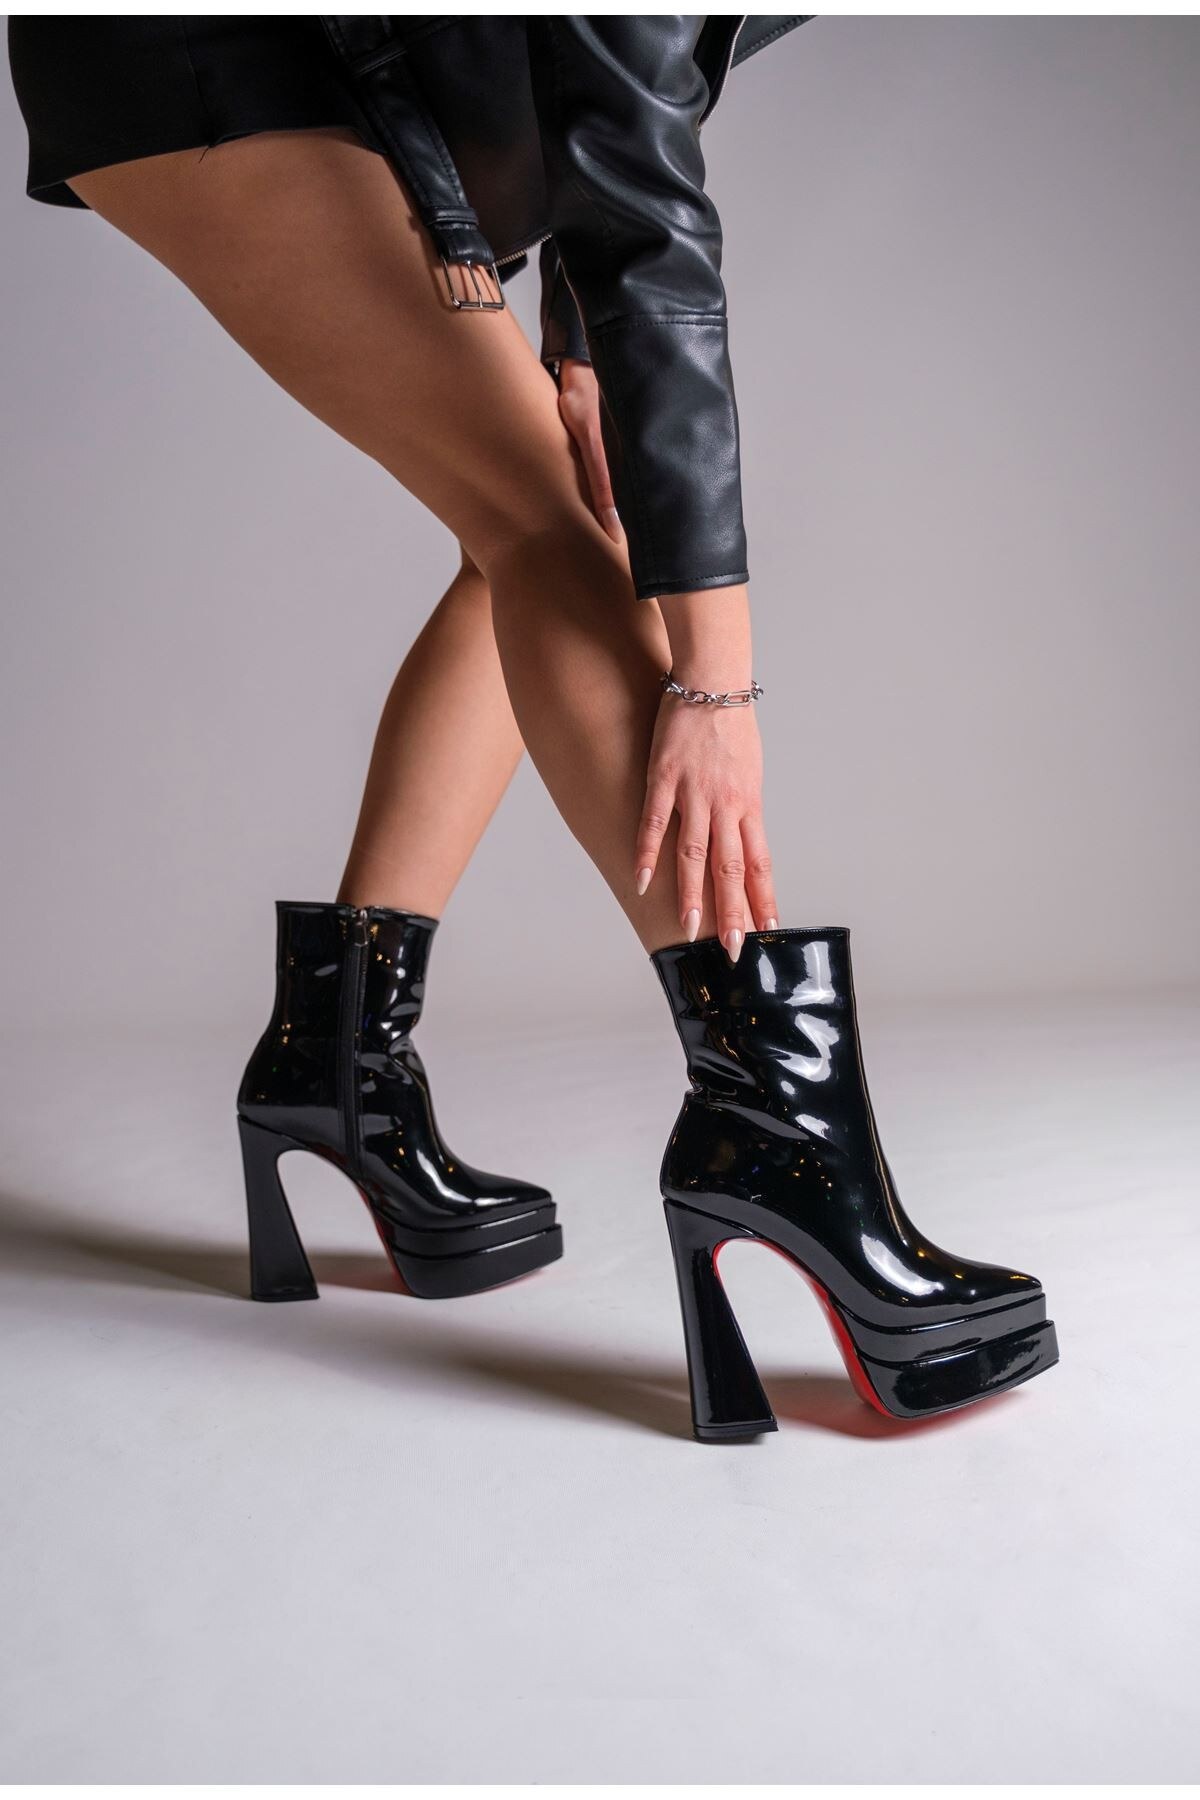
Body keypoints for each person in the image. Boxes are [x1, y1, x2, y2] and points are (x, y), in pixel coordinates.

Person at [7, 15, 1057, 1441]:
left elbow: (614, 113)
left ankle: (336, 1066)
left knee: (540, 528)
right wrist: (713, 686)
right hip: (195, 53)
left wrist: (573, 346)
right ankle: (780, 1141)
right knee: (547, 529)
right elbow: (649, 211)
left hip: (353, 75)